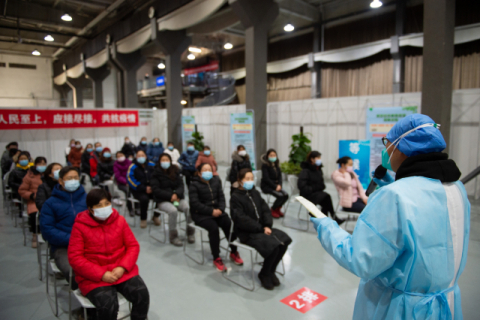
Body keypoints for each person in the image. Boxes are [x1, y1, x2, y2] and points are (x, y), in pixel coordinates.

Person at [310, 114, 470, 320]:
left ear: (401, 148)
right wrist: (393, 186)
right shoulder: (456, 188)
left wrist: (326, 226)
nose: (386, 151)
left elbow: (361, 260)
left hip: (401, 310)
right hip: (445, 305)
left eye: (387, 143)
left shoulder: (394, 197)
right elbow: (425, 215)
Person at [68, 189, 149, 320]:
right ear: (90, 209)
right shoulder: (80, 227)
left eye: (107, 203)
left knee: (142, 294)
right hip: (94, 277)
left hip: (121, 271)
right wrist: (101, 274)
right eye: (99, 205)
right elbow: (75, 258)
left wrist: (122, 267)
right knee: (108, 305)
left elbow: (133, 246)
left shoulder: (120, 221)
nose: (104, 208)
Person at [231, 168, 292, 290]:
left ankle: (270, 271)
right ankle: (264, 274)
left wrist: (267, 225)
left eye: (252, 179)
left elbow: (265, 210)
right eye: (247, 179)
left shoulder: (255, 193)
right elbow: (241, 219)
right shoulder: (235, 197)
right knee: (273, 247)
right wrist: (260, 228)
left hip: (262, 229)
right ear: (240, 181)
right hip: (247, 233)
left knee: (284, 241)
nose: (250, 181)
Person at [189, 163, 243, 271]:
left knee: (228, 223)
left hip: (217, 212)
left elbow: (222, 197)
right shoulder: (194, 185)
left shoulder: (216, 181)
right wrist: (211, 211)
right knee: (213, 228)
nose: (208, 172)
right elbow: (195, 203)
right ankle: (216, 257)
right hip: (201, 214)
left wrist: (220, 209)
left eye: (210, 170)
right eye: (205, 170)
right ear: (199, 173)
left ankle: (233, 252)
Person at [40, 166, 87, 289]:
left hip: (89, 243)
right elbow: (47, 230)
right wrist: (72, 239)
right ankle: (88, 305)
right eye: (69, 178)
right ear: (60, 181)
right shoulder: (50, 203)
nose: (73, 181)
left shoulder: (88, 199)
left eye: (76, 178)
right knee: (74, 273)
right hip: (63, 247)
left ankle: (102, 302)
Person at [151, 153, 195, 246]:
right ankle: (173, 236)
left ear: (170, 161)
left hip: (176, 199)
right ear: (159, 161)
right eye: (163, 160)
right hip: (163, 200)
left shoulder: (175, 171)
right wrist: (170, 196)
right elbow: (156, 190)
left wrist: (176, 194)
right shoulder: (155, 173)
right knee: (173, 210)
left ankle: (190, 232)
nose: (165, 162)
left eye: (167, 160)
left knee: (187, 207)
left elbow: (181, 185)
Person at [298, 151, 339, 223]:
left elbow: (322, 185)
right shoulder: (305, 171)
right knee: (326, 196)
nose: (320, 159)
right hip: (307, 194)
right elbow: (302, 186)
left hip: (316, 193)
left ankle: (325, 218)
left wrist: (317, 187)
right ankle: (330, 217)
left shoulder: (318, 170)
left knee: (326, 198)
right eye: (318, 158)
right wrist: (315, 188)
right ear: (312, 159)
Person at [18, 156, 47, 248]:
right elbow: (22, 190)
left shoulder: (48, 175)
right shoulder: (29, 176)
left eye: (43, 164)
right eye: (39, 164)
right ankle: (35, 234)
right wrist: (32, 195)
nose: (42, 166)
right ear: (35, 165)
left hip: (47, 200)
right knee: (35, 214)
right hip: (34, 200)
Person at [127, 150, 156, 228]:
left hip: (151, 188)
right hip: (138, 189)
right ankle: (143, 218)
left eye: (142, 155)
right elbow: (130, 179)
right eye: (139, 156)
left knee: (160, 196)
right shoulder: (132, 166)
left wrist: (153, 187)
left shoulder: (152, 164)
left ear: (146, 156)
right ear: (136, 157)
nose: (141, 157)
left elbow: (157, 176)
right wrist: (143, 188)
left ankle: (156, 216)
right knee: (144, 199)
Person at [260, 149, 289, 219]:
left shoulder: (276, 165)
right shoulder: (265, 165)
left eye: (274, 155)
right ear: (267, 156)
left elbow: (280, 177)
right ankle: (273, 209)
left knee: (286, 195)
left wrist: (279, 185)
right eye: (271, 155)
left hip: (276, 186)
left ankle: (277, 209)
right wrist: (275, 186)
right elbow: (266, 178)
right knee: (280, 196)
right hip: (267, 186)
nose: (273, 157)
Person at [113, 151, 133, 216]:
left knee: (137, 190)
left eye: (121, 155)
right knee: (128, 191)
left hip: (131, 181)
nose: (120, 157)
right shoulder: (116, 164)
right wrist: (126, 182)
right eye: (118, 156)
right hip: (122, 183)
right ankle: (130, 209)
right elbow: (118, 176)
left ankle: (137, 207)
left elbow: (133, 173)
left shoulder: (130, 163)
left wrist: (130, 181)